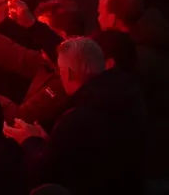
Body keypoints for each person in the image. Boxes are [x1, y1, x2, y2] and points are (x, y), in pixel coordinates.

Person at [10, 37, 147, 195]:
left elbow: (49, 173)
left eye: (60, 71)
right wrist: (47, 141)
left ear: (67, 73)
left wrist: (29, 141)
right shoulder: (127, 95)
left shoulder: (79, 116)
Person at [97, 0, 169, 193]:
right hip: (159, 151)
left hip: (150, 157)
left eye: (100, 13)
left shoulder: (136, 58)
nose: (97, 19)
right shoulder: (150, 43)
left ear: (113, 18)